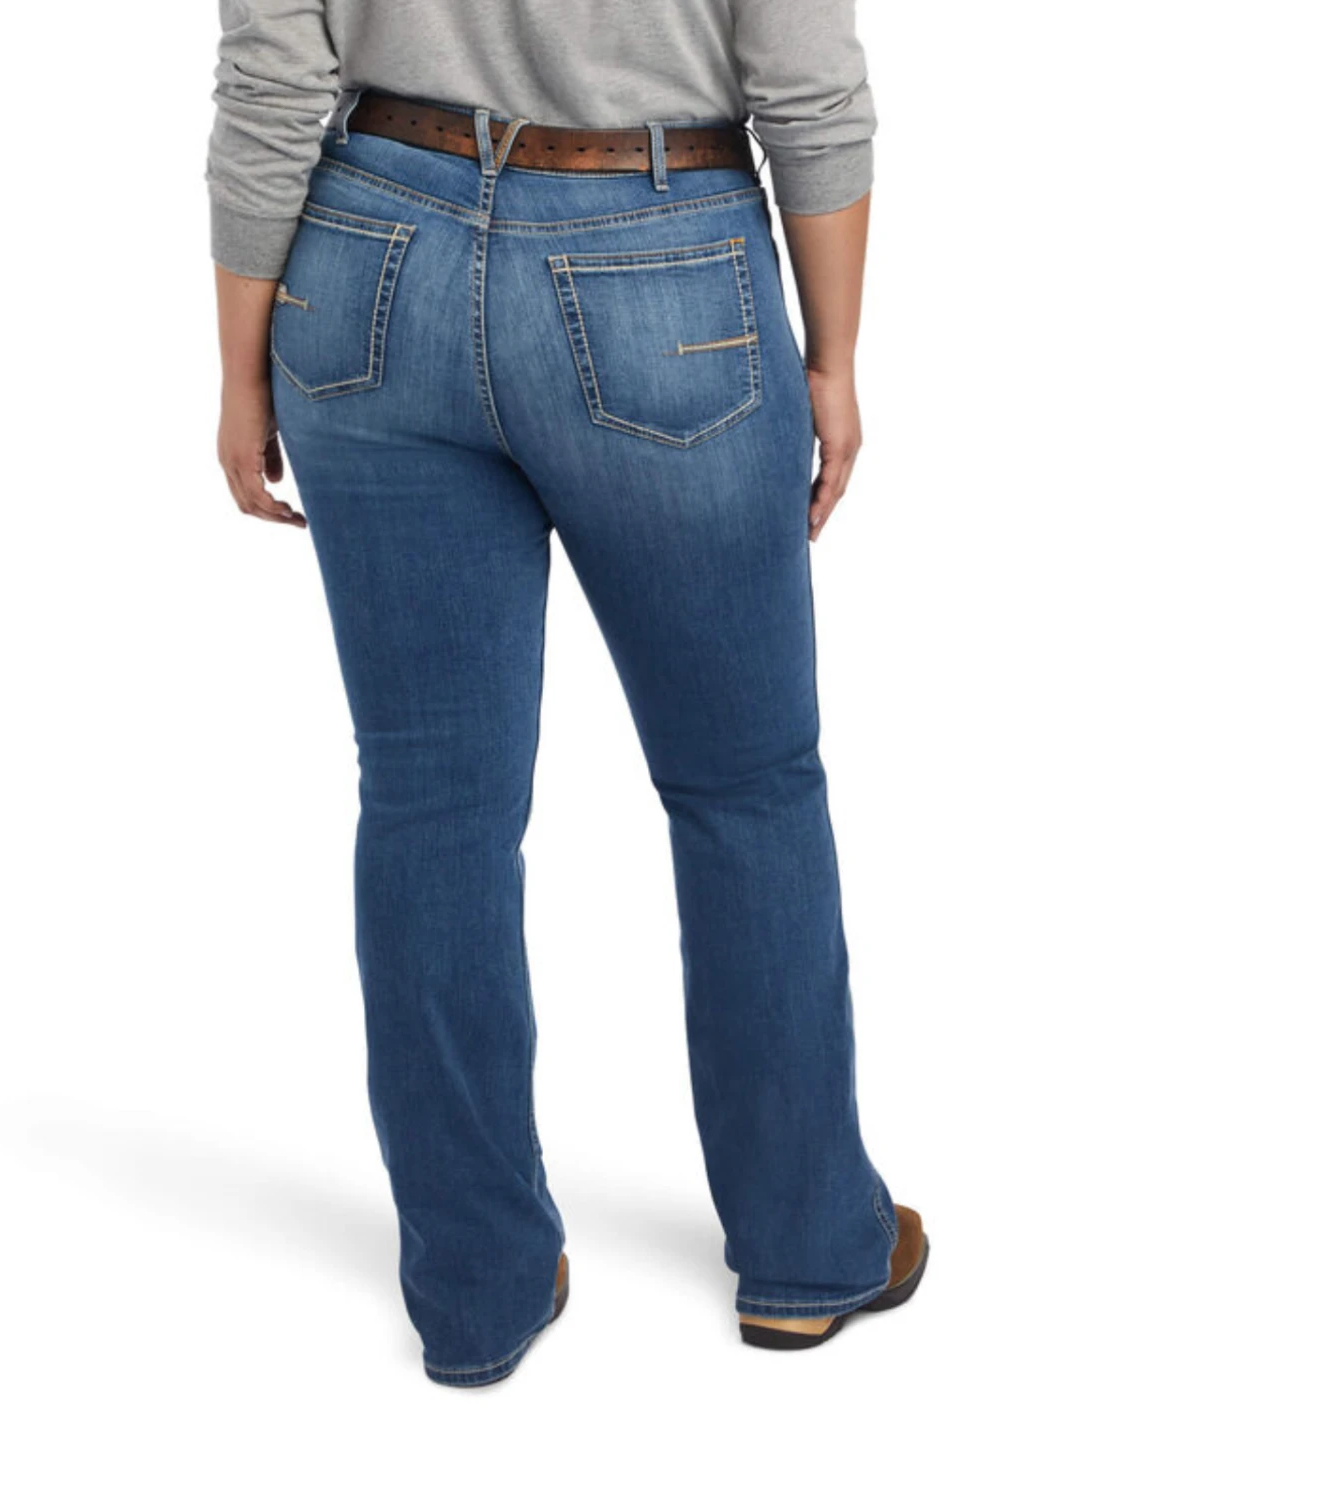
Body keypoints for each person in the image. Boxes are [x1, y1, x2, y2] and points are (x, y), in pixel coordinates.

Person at [205, 0, 927, 1388]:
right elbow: (809, 87)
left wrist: (240, 367)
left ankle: (474, 1289)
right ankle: (805, 1246)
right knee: (746, 786)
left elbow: (271, 75)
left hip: (366, 264)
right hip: (661, 264)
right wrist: (834, 361)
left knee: (431, 806)